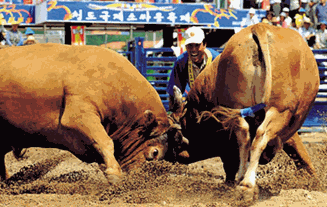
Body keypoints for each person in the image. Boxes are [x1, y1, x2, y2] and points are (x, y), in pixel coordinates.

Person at [166, 27, 220, 110]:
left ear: (204, 44)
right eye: (190, 46)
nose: (193, 50)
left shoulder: (217, 60)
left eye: (197, 45)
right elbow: (174, 92)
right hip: (195, 105)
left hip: (217, 104)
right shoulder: (181, 61)